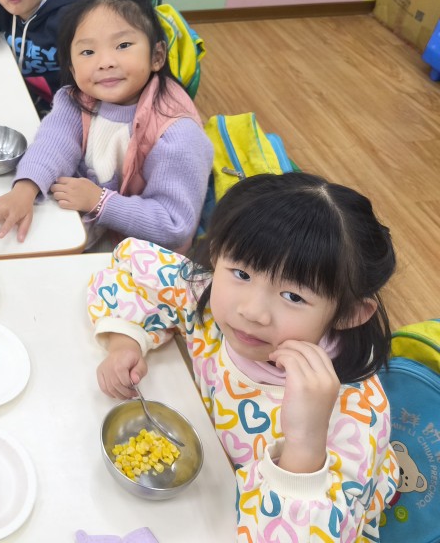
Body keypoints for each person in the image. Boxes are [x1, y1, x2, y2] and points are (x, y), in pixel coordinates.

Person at [90, 173, 399, 542]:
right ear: (216, 254)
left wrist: (304, 445)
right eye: (241, 273)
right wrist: (125, 341)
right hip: (213, 485)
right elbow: (129, 265)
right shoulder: (208, 298)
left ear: (349, 314)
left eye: (294, 297)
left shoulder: (355, 416)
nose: (252, 311)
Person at [0, 0, 211, 250]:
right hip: (86, 222)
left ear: (156, 56)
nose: (105, 62)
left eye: (123, 46)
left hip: (138, 254)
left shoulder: (177, 134)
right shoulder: (79, 98)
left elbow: (174, 225)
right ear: (72, 67)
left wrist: (100, 201)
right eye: (88, 52)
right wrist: (25, 188)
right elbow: (54, 142)